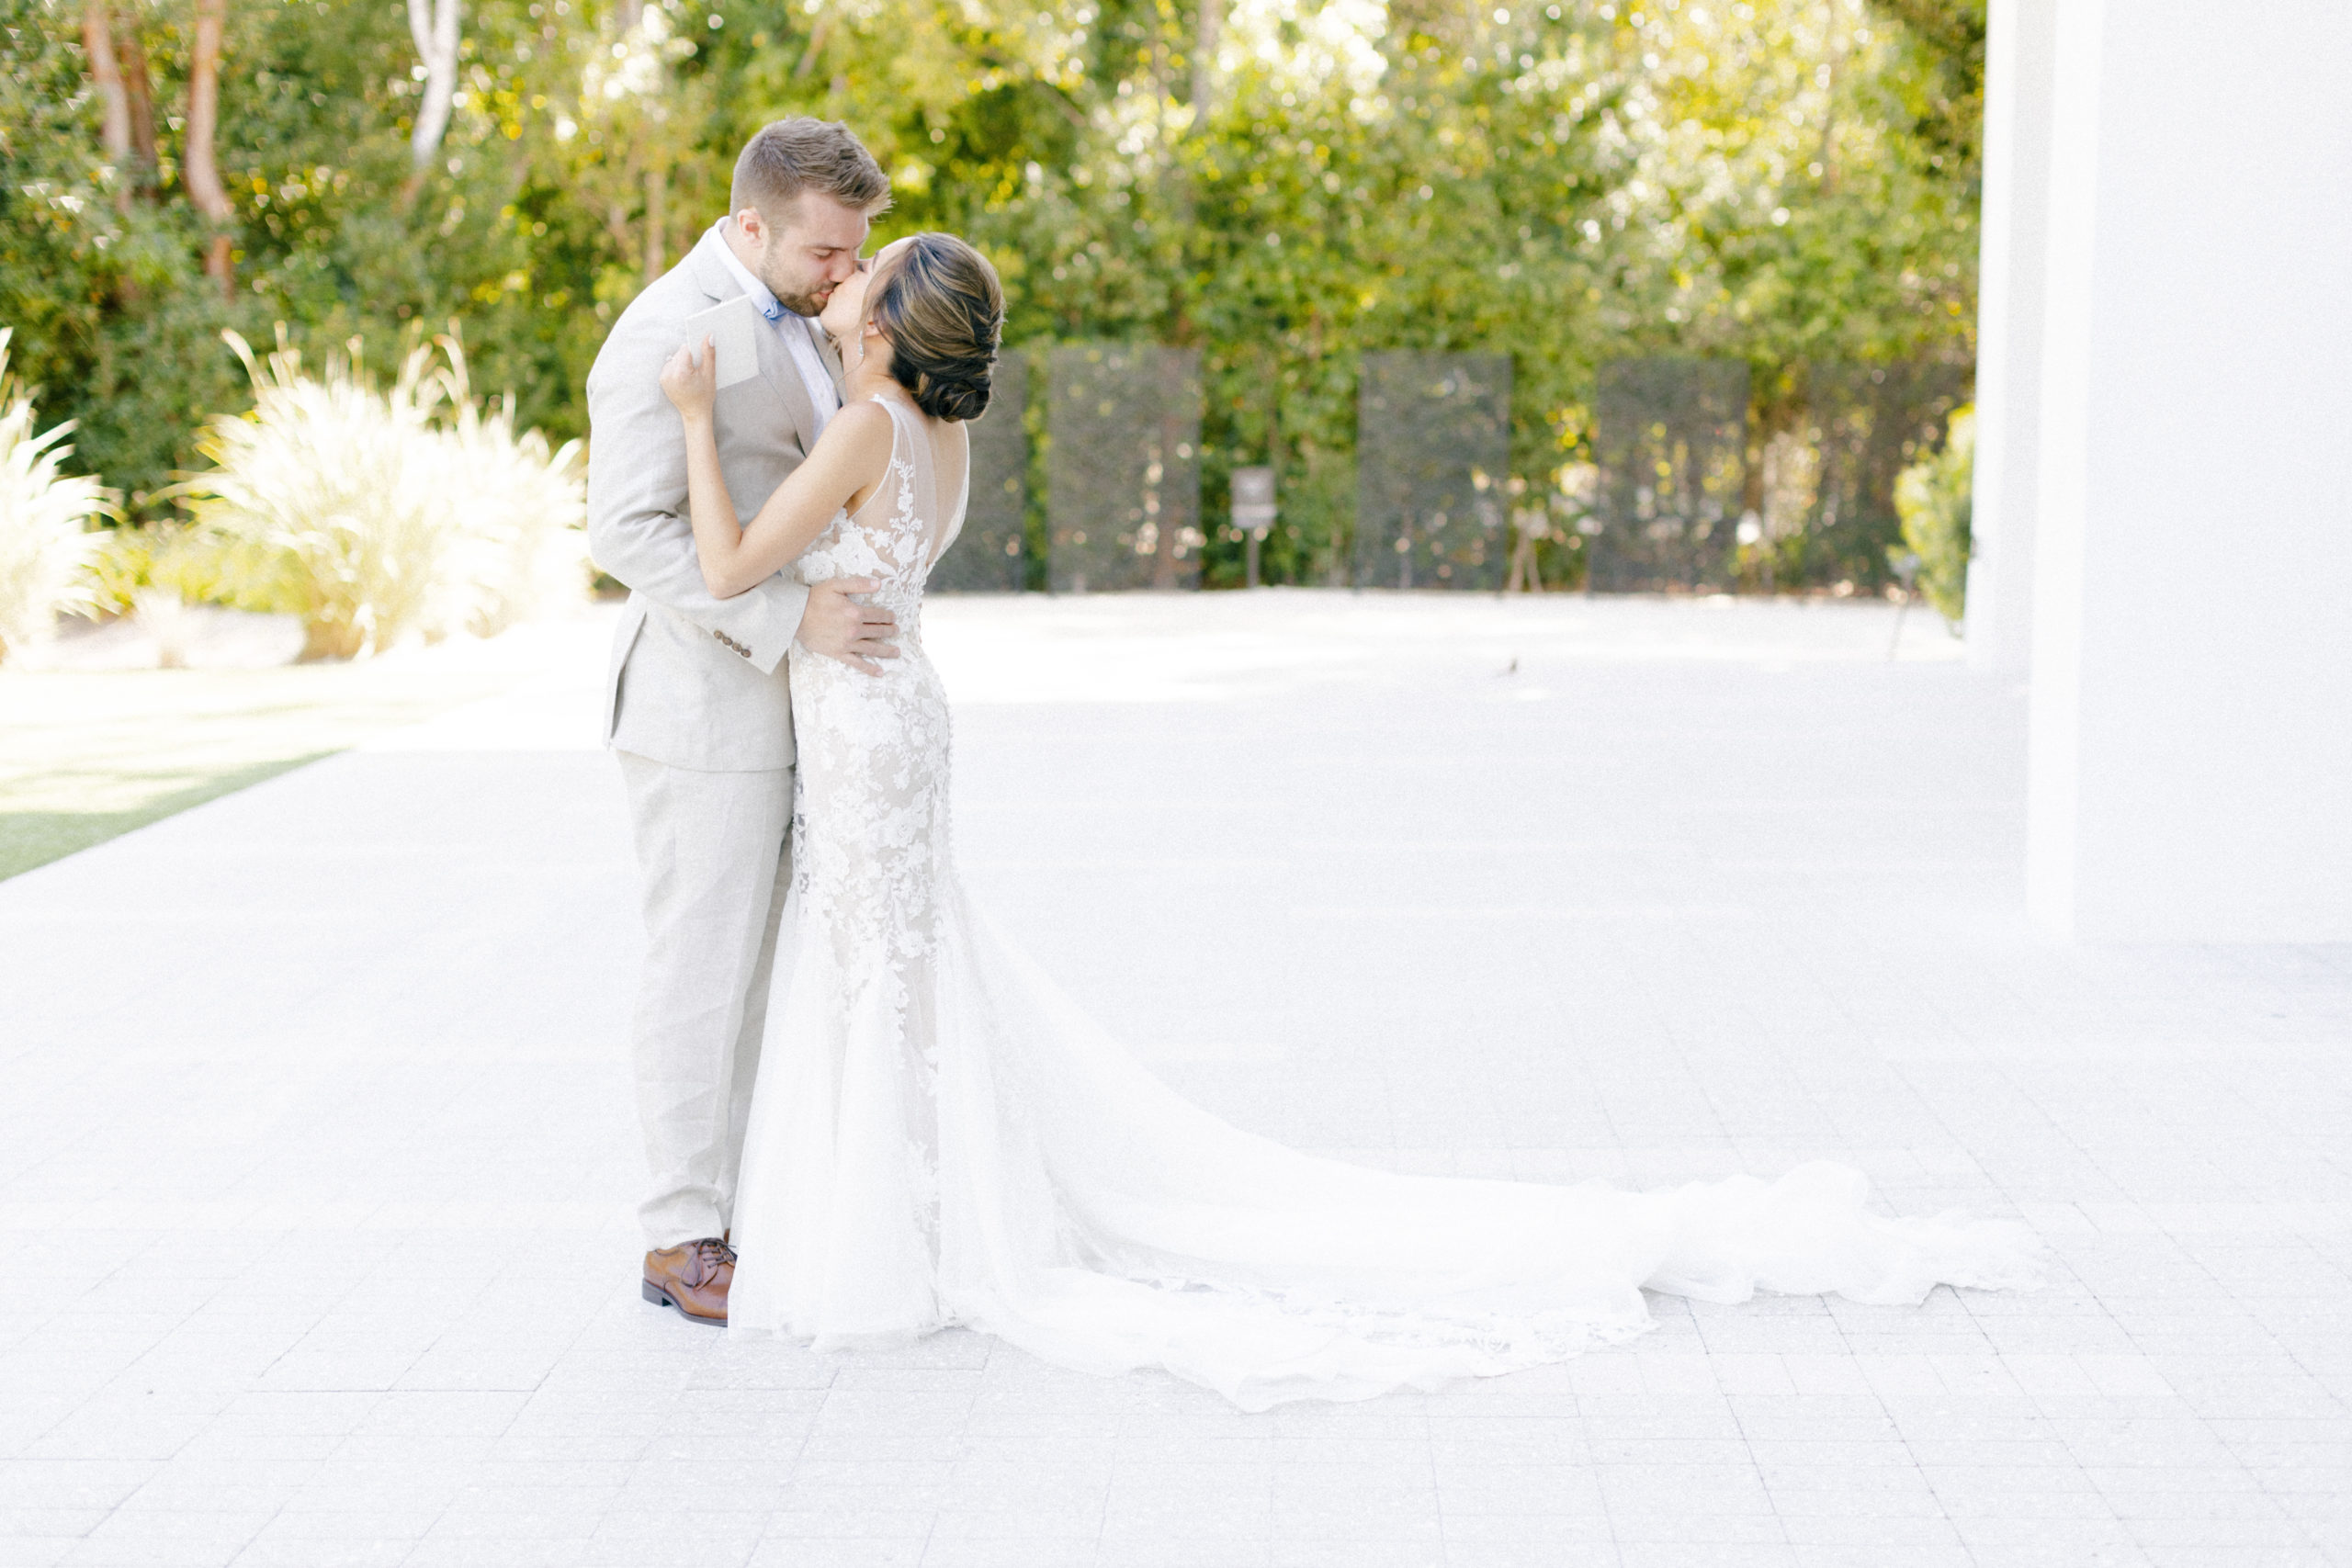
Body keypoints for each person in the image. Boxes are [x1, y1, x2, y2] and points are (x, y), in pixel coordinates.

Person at [656, 233, 2046, 1412]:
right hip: (896, 722)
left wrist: (686, 420)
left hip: (867, 726)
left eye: (865, 274)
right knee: (896, 971)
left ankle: (895, 1235)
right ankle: (914, 1210)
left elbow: (723, 564)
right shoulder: (934, 433)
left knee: (874, 970)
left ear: (891, 324)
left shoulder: (856, 426)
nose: (840, 281)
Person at [585, 118, 899, 1326]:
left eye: (854, 251)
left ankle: (747, 1207)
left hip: (798, 717)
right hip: (699, 716)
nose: (844, 275)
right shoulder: (668, 332)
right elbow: (625, 531)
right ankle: (677, 1239)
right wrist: (786, 622)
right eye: (826, 252)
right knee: (700, 976)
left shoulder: (810, 314)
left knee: (769, 979)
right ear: (753, 224)